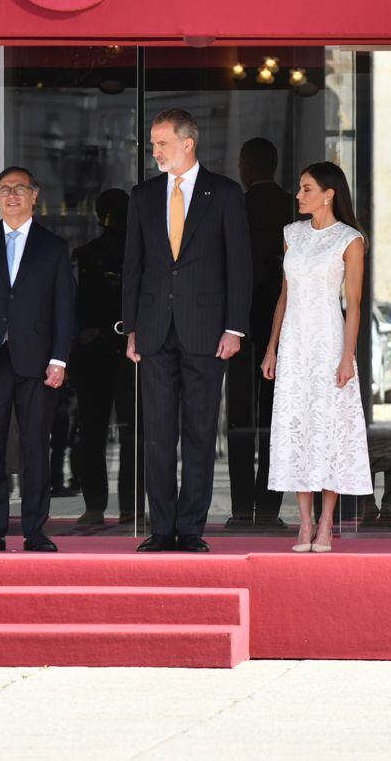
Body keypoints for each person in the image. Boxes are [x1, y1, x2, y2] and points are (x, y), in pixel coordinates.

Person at [123, 108, 252, 553]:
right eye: (154, 143)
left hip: (207, 330)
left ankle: (191, 529)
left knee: (199, 433)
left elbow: (240, 265)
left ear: (187, 144)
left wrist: (234, 327)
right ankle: (161, 529)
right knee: (158, 433)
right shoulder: (142, 195)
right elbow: (133, 267)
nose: (155, 150)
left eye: (162, 143)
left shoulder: (226, 193)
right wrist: (132, 329)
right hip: (155, 329)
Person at [0, 166, 77, 553]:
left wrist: (59, 359)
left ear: (34, 195)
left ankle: (35, 529)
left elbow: (64, 309)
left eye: (19, 188)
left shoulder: (54, 246)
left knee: (36, 445)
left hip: (38, 362)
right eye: (4, 190)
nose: (11, 195)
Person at [261, 162, 373, 553]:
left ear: (329, 194)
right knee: (297, 426)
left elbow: (354, 305)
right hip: (294, 342)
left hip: (328, 341)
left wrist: (347, 356)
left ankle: (327, 522)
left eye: (307, 189)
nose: (298, 195)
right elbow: (284, 295)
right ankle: (304, 523)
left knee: (329, 428)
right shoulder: (291, 234)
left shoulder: (350, 239)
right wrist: (272, 347)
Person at [226, 137, 294, 529]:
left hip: (239, 324)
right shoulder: (291, 206)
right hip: (282, 324)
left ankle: (239, 508)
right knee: (274, 418)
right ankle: (269, 509)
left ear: (245, 167)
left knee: (240, 417)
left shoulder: (237, 205)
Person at [72, 189, 137, 526]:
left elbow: (77, 306)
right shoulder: (134, 254)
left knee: (96, 432)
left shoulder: (88, 254)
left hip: (99, 351)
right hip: (122, 350)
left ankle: (97, 505)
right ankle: (130, 507)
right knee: (129, 433)